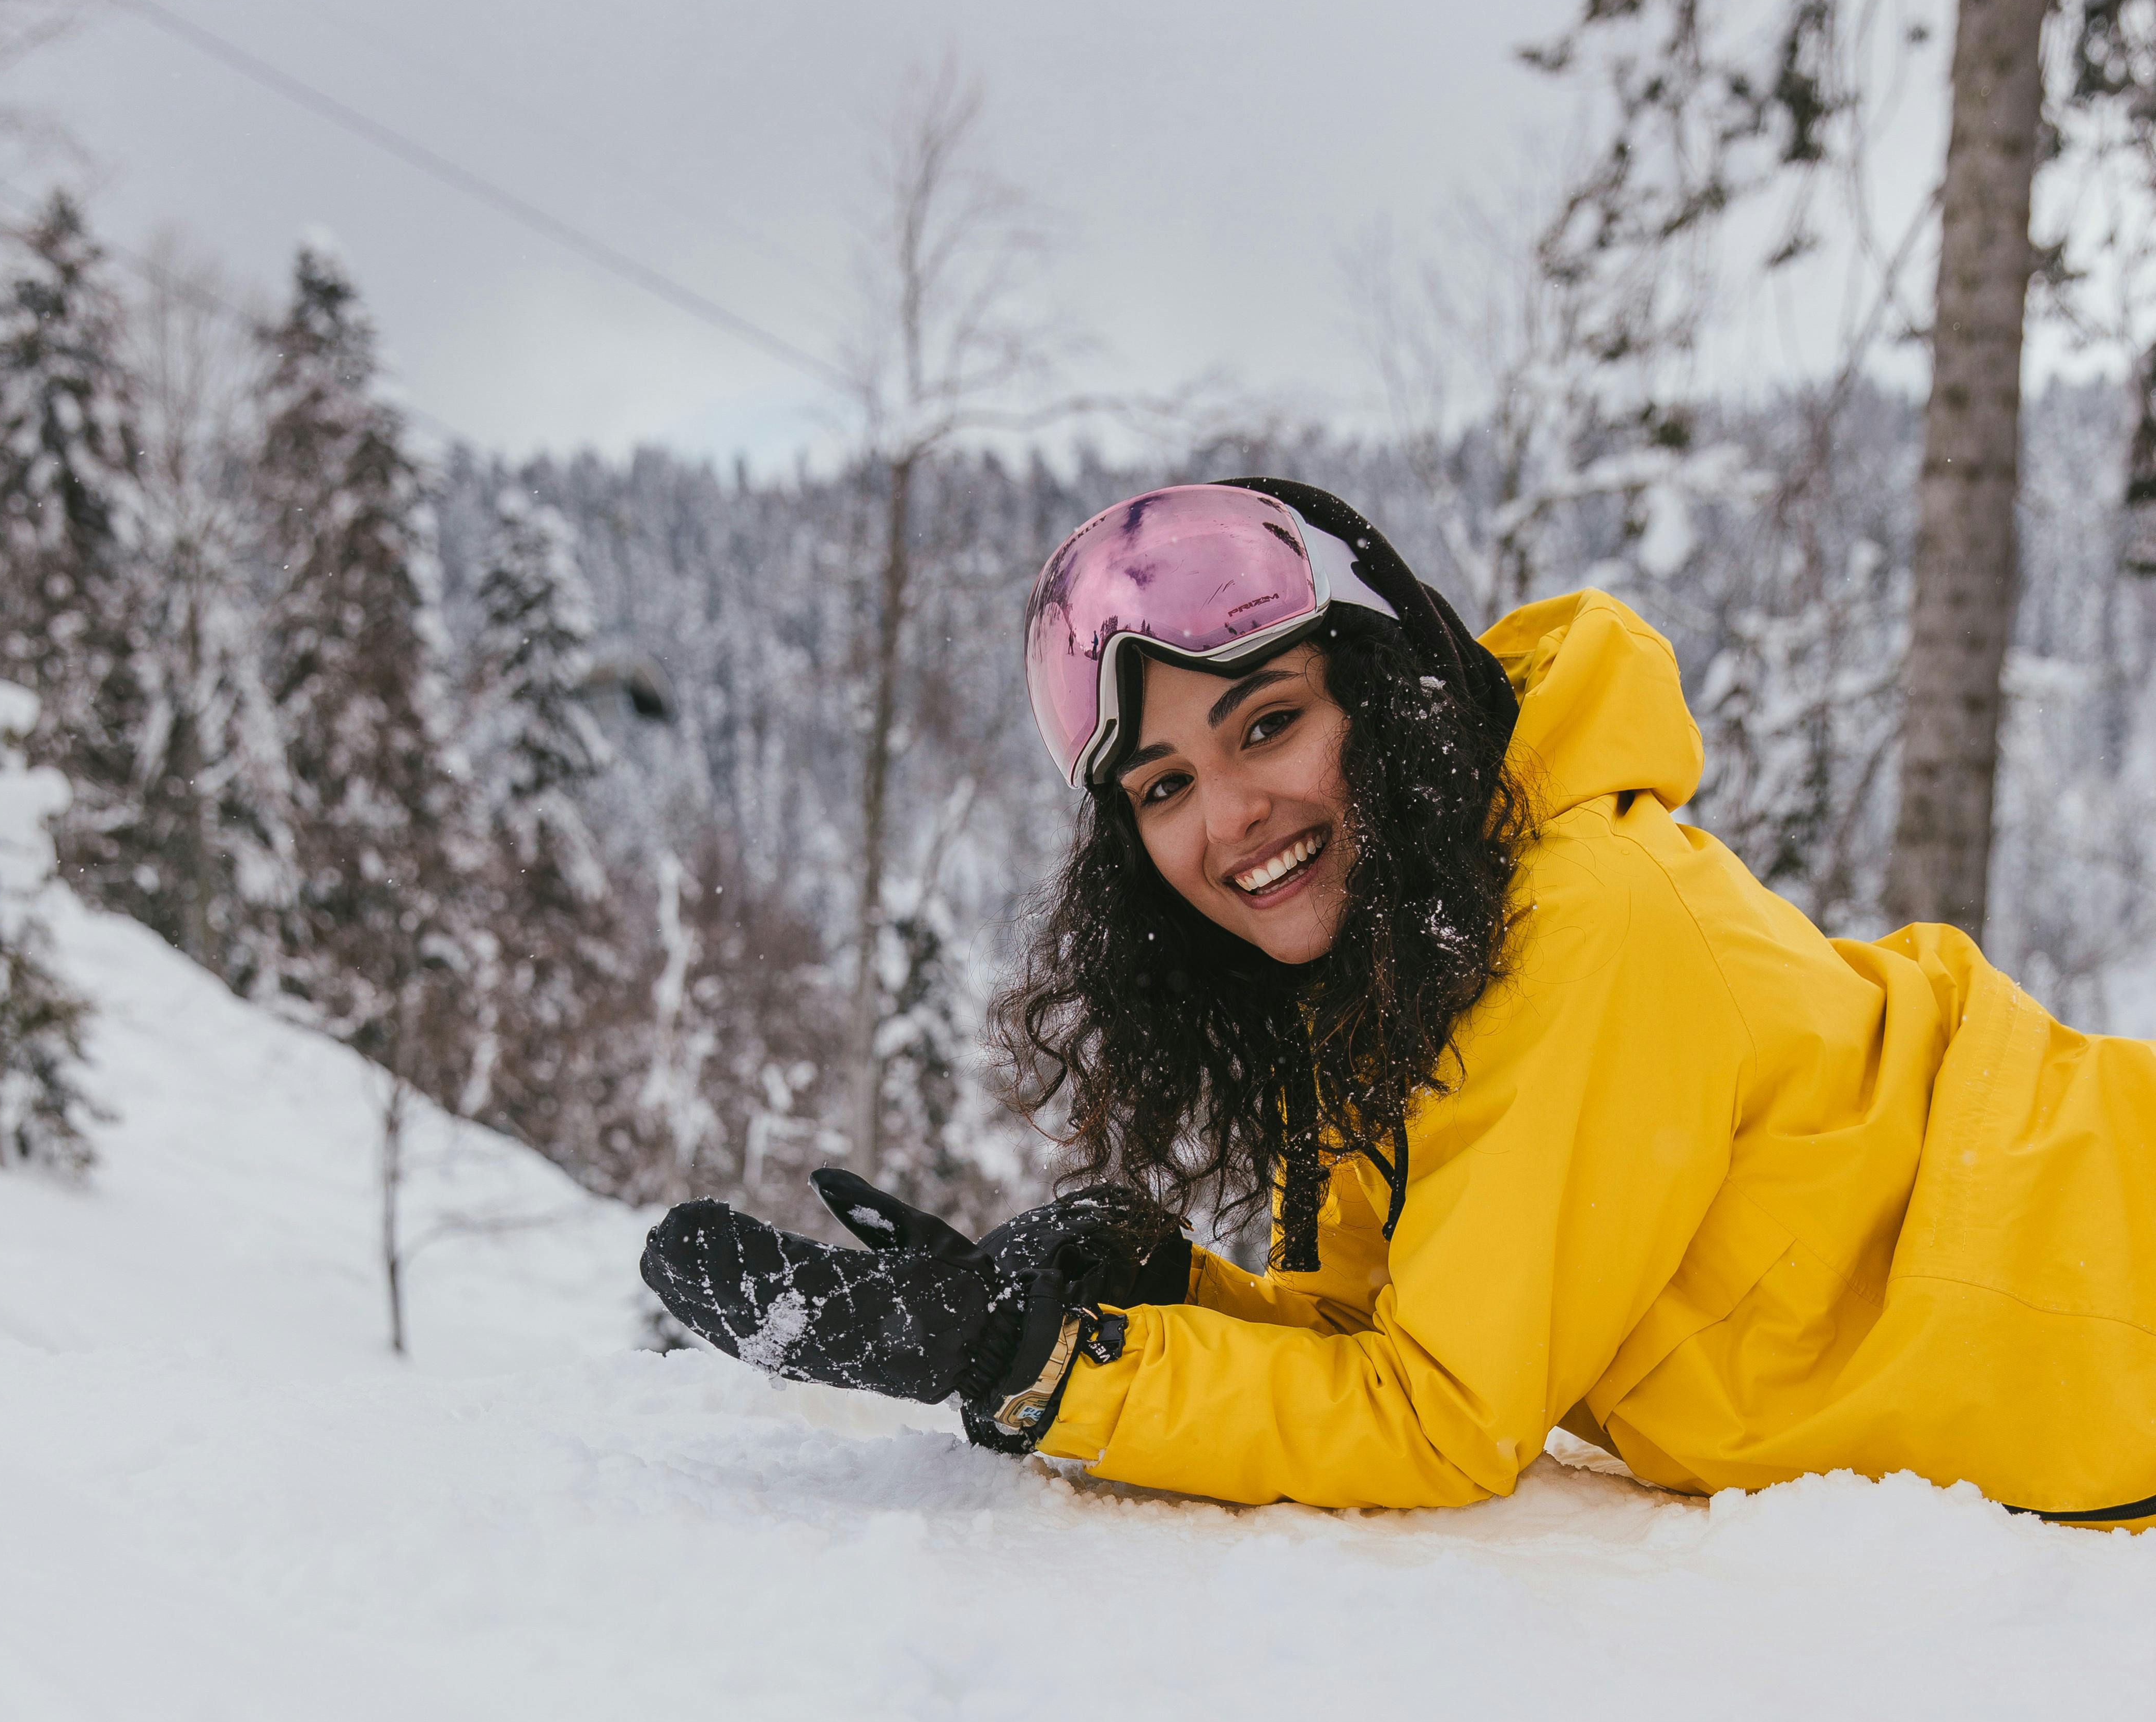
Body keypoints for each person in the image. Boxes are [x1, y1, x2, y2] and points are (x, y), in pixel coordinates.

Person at [642, 477, 2156, 1526]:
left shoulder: (1589, 922)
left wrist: (1031, 1367)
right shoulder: (1416, 953)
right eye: (1164, 787)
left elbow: (1441, 1415)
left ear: (1390, 690)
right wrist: (1147, 1295)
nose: (1229, 816)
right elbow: (1413, 1321)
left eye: (1271, 722)